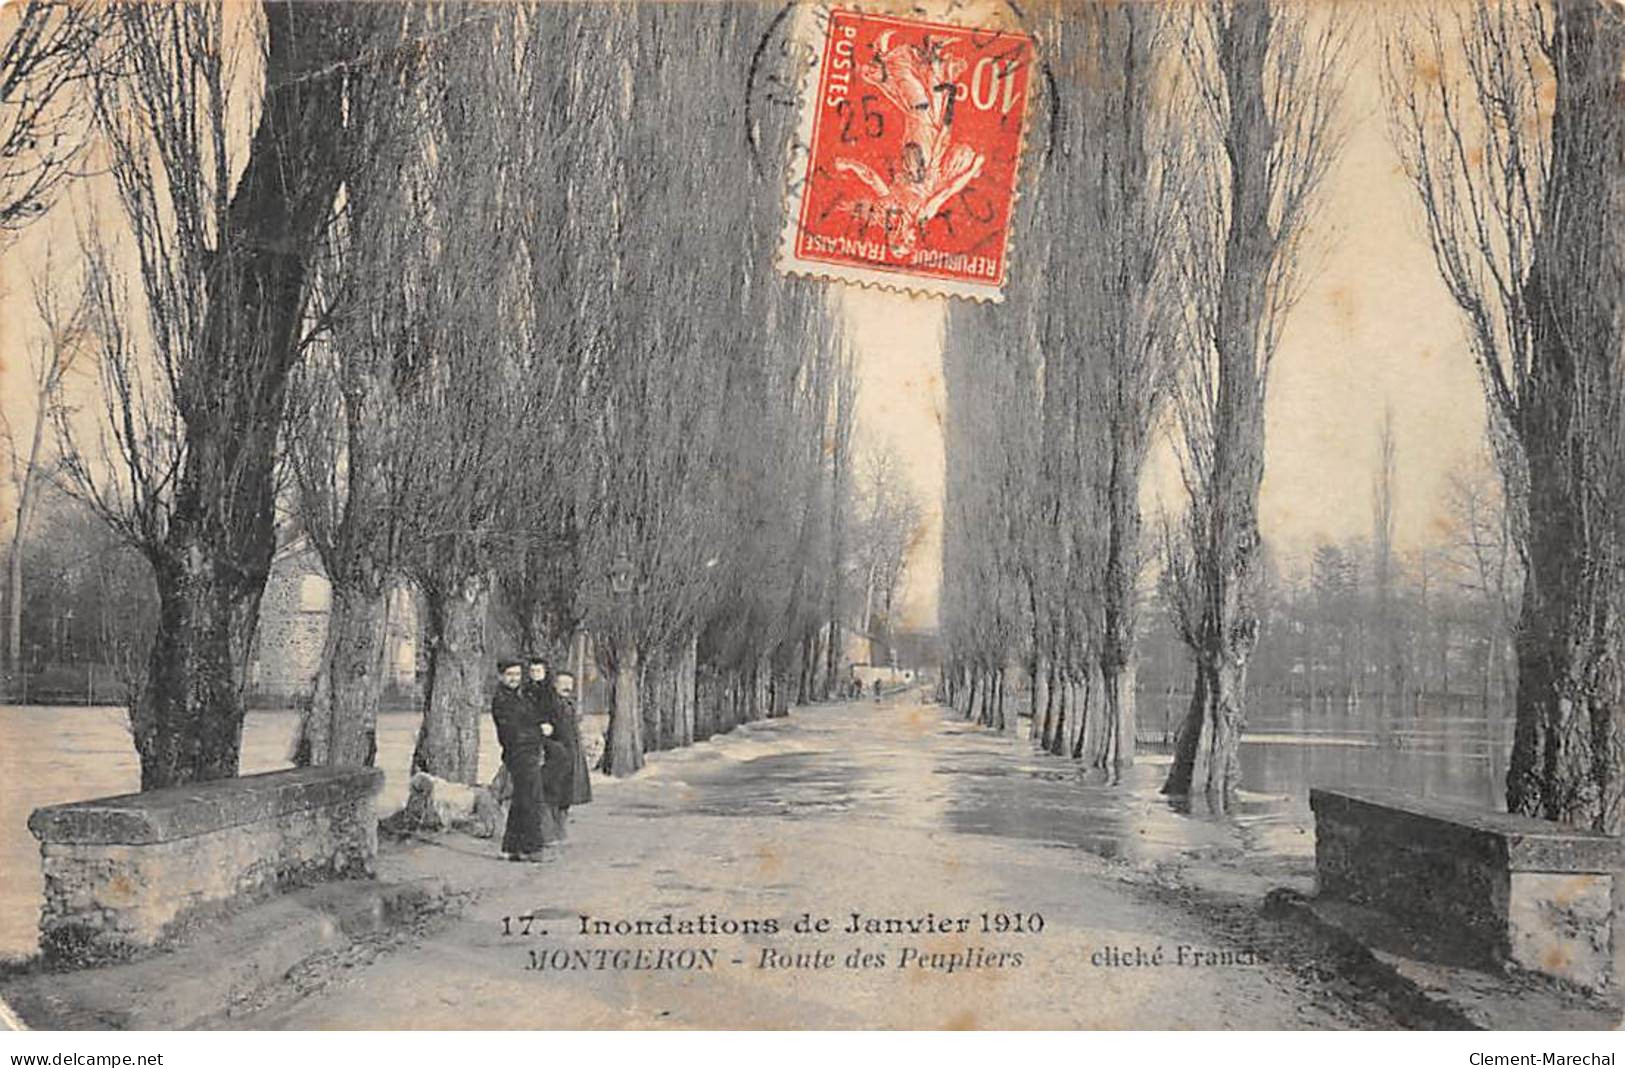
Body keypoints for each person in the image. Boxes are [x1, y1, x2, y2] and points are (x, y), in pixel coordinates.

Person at [490, 658, 547, 861]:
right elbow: (512, 732)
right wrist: (539, 731)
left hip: (527, 752)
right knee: (531, 798)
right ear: (500, 676)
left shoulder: (518, 697)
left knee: (522, 798)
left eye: (517, 674)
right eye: (510, 675)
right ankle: (532, 848)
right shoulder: (502, 700)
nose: (514, 679)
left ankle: (511, 848)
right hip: (519, 753)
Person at [543, 670, 593, 837]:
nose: (566, 687)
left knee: (567, 794)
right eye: (562, 683)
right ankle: (552, 831)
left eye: (569, 684)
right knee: (554, 793)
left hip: (572, 754)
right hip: (556, 754)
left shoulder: (569, 704)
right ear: (554, 685)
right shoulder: (550, 705)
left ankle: (560, 829)